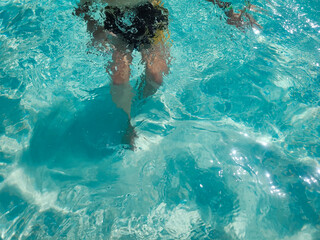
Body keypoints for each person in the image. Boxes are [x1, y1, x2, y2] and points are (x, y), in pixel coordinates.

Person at [75, 0, 261, 147]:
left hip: (151, 16)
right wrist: (95, 31)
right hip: (113, 21)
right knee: (119, 77)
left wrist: (228, 11)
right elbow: (82, 8)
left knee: (155, 77)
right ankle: (128, 123)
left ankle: (140, 107)